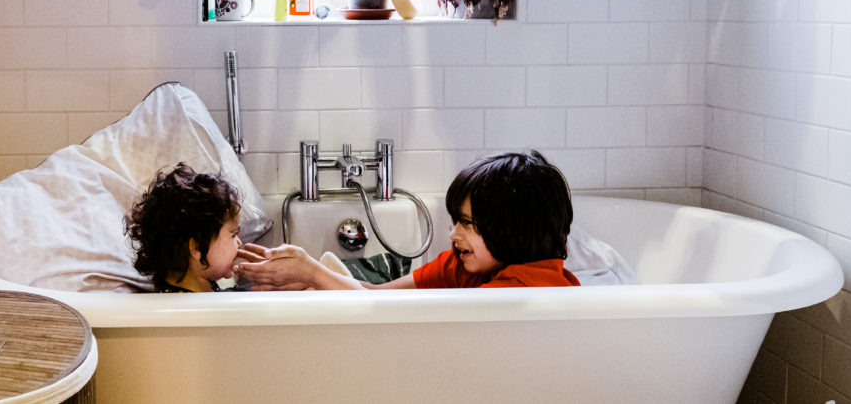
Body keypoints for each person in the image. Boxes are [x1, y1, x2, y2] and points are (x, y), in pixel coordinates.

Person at [235, 150, 580, 290]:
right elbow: (376, 297)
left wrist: (311, 272)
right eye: (454, 221)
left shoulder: (533, 287)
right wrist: (310, 277)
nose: (452, 234)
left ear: (513, 229)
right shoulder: (463, 266)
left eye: (466, 223)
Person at [125, 163, 244, 293]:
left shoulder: (182, 291)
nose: (239, 243)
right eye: (233, 234)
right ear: (198, 246)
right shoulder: (195, 309)